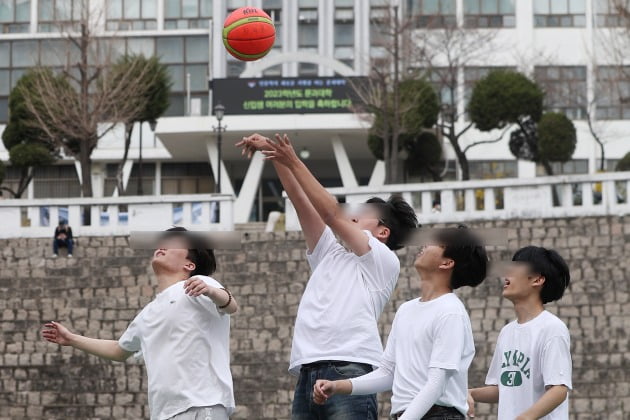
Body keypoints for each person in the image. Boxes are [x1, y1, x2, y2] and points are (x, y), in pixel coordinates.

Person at [237, 133, 418, 419]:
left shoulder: (383, 261)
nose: (355, 212)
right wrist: (275, 157)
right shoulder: (330, 253)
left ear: (383, 232)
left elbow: (332, 213)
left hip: (351, 370)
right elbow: (300, 201)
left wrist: (293, 159)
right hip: (308, 372)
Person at [41, 227, 238, 420]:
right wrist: (71, 339)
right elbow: (119, 351)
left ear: (189, 265)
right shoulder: (147, 313)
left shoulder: (198, 285)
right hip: (164, 413)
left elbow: (230, 305)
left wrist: (211, 291)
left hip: (204, 406)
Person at [312, 226, 488, 420]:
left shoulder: (450, 312)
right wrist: (338, 386)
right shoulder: (406, 310)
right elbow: (388, 372)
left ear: (447, 263)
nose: (426, 243)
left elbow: (436, 384)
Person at [468, 246, 572, 420]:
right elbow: (504, 388)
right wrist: (471, 393)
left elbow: (559, 389)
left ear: (537, 279)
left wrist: (523, 418)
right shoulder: (507, 332)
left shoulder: (552, 328)